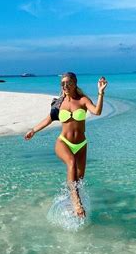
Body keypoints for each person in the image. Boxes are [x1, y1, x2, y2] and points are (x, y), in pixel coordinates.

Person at [24, 72, 108, 218]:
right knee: (71, 163)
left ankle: (73, 207)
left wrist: (100, 93)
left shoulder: (83, 100)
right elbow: (48, 119)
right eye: (62, 83)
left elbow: (97, 111)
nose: (65, 86)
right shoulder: (59, 103)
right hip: (63, 142)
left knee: (79, 180)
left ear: (75, 83)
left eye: (68, 83)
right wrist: (33, 130)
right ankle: (76, 202)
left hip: (81, 144)